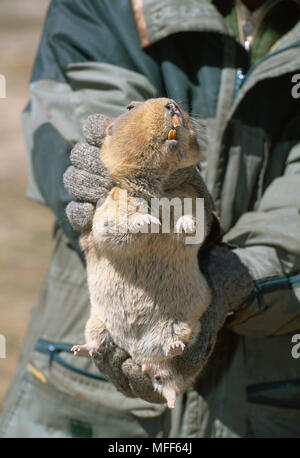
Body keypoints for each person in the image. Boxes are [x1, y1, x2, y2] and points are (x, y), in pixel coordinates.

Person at [1, 0, 300, 438]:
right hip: (83, 405)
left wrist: (237, 278)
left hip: (270, 403)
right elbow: (81, 110)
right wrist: (105, 176)